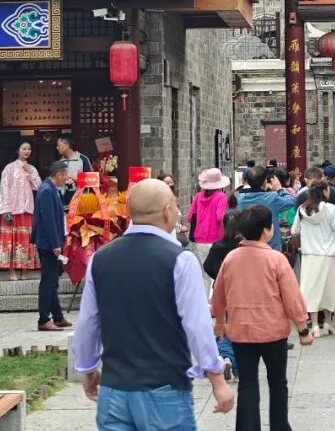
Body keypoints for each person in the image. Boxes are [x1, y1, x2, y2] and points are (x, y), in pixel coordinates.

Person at [73, 178, 234, 429]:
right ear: (167, 211)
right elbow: (197, 325)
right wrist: (216, 377)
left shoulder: (100, 259)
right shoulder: (180, 260)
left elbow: (88, 322)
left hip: (115, 388)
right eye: (176, 207)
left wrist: (89, 369)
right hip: (165, 388)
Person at [211, 205, 313, 431]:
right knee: (278, 383)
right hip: (273, 332)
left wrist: (219, 320)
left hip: (241, 332)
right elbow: (291, 296)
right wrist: (303, 328)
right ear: (267, 231)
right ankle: (279, 426)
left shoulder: (231, 258)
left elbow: (218, 294)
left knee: (247, 384)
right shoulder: (276, 259)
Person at [292, 178, 335, 339]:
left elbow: (295, 230)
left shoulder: (302, 209)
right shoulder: (332, 209)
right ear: (325, 191)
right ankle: (327, 322)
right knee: (328, 289)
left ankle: (314, 325)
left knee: (310, 289)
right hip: (328, 254)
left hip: (309, 254)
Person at [0, 141, 41, 281]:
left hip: (27, 209)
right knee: (12, 239)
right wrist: (5, 210)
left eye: (29, 149)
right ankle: (11, 270)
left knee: (26, 240)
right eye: (24, 148)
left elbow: (39, 187)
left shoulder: (32, 168)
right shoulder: (9, 168)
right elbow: (4, 189)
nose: (27, 151)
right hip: (12, 210)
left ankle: (25, 270)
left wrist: (30, 172)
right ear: (18, 150)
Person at [32, 161, 70, 332]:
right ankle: (44, 319)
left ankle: (58, 316)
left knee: (53, 281)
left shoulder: (52, 189)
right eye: (65, 175)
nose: (66, 178)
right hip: (48, 243)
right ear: (59, 174)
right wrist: (55, 244)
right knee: (48, 281)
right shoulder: (46, 190)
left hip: (52, 241)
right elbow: (48, 220)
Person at [234, 166, 296, 251]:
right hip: (271, 247)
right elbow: (291, 201)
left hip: (249, 247)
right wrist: (279, 189)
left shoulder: (241, 199)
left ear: (247, 181)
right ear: (265, 181)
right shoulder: (271, 198)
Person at [186, 167, 231, 270]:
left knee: (205, 269)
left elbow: (190, 217)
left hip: (200, 237)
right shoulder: (221, 197)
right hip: (216, 237)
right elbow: (220, 217)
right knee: (217, 270)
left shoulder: (198, 196)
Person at [57, 135, 93, 207]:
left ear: (67, 145)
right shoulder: (60, 162)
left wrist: (75, 179)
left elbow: (91, 180)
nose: (57, 148)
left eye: (58, 145)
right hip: (64, 201)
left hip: (81, 202)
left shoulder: (83, 159)